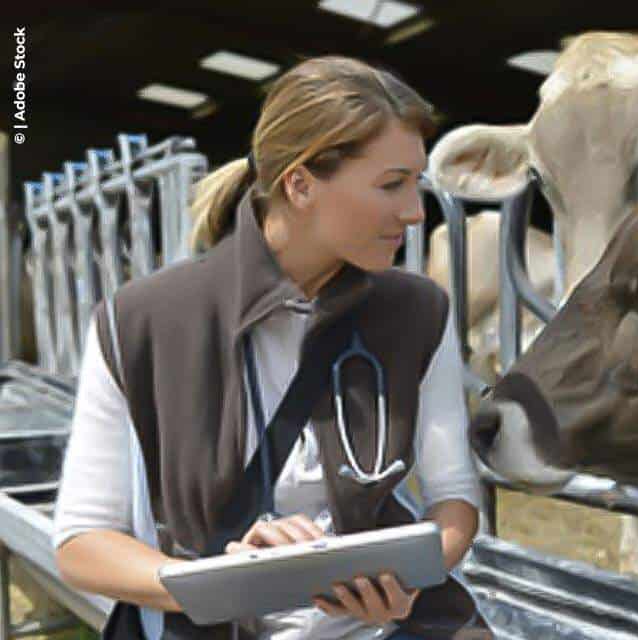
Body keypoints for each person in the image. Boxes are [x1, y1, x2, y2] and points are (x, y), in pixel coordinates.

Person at [52, 55, 490, 640]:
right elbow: (81, 544)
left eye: (417, 183)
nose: (414, 212)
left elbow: (454, 499)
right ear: (301, 184)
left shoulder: (418, 313)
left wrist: (411, 579)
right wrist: (221, 581)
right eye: (392, 185)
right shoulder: (137, 322)